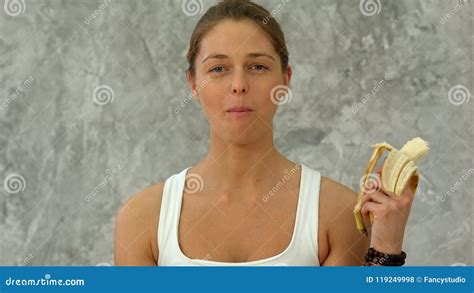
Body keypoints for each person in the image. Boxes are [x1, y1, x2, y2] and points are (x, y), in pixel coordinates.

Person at [114, 0, 417, 266]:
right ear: (193, 84)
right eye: (218, 69)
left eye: (257, 66)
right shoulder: (142, 219)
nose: (238, 85)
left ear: (285, 80)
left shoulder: (335, 212)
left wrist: (386, 248)